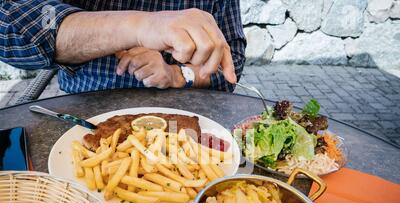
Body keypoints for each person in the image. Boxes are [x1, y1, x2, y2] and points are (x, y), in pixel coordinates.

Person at [0, 1, 246, 93]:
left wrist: (178, 74)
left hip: (186, 122)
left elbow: (232, 64)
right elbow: (11, 26)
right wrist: (139, 28)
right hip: (85, 115)